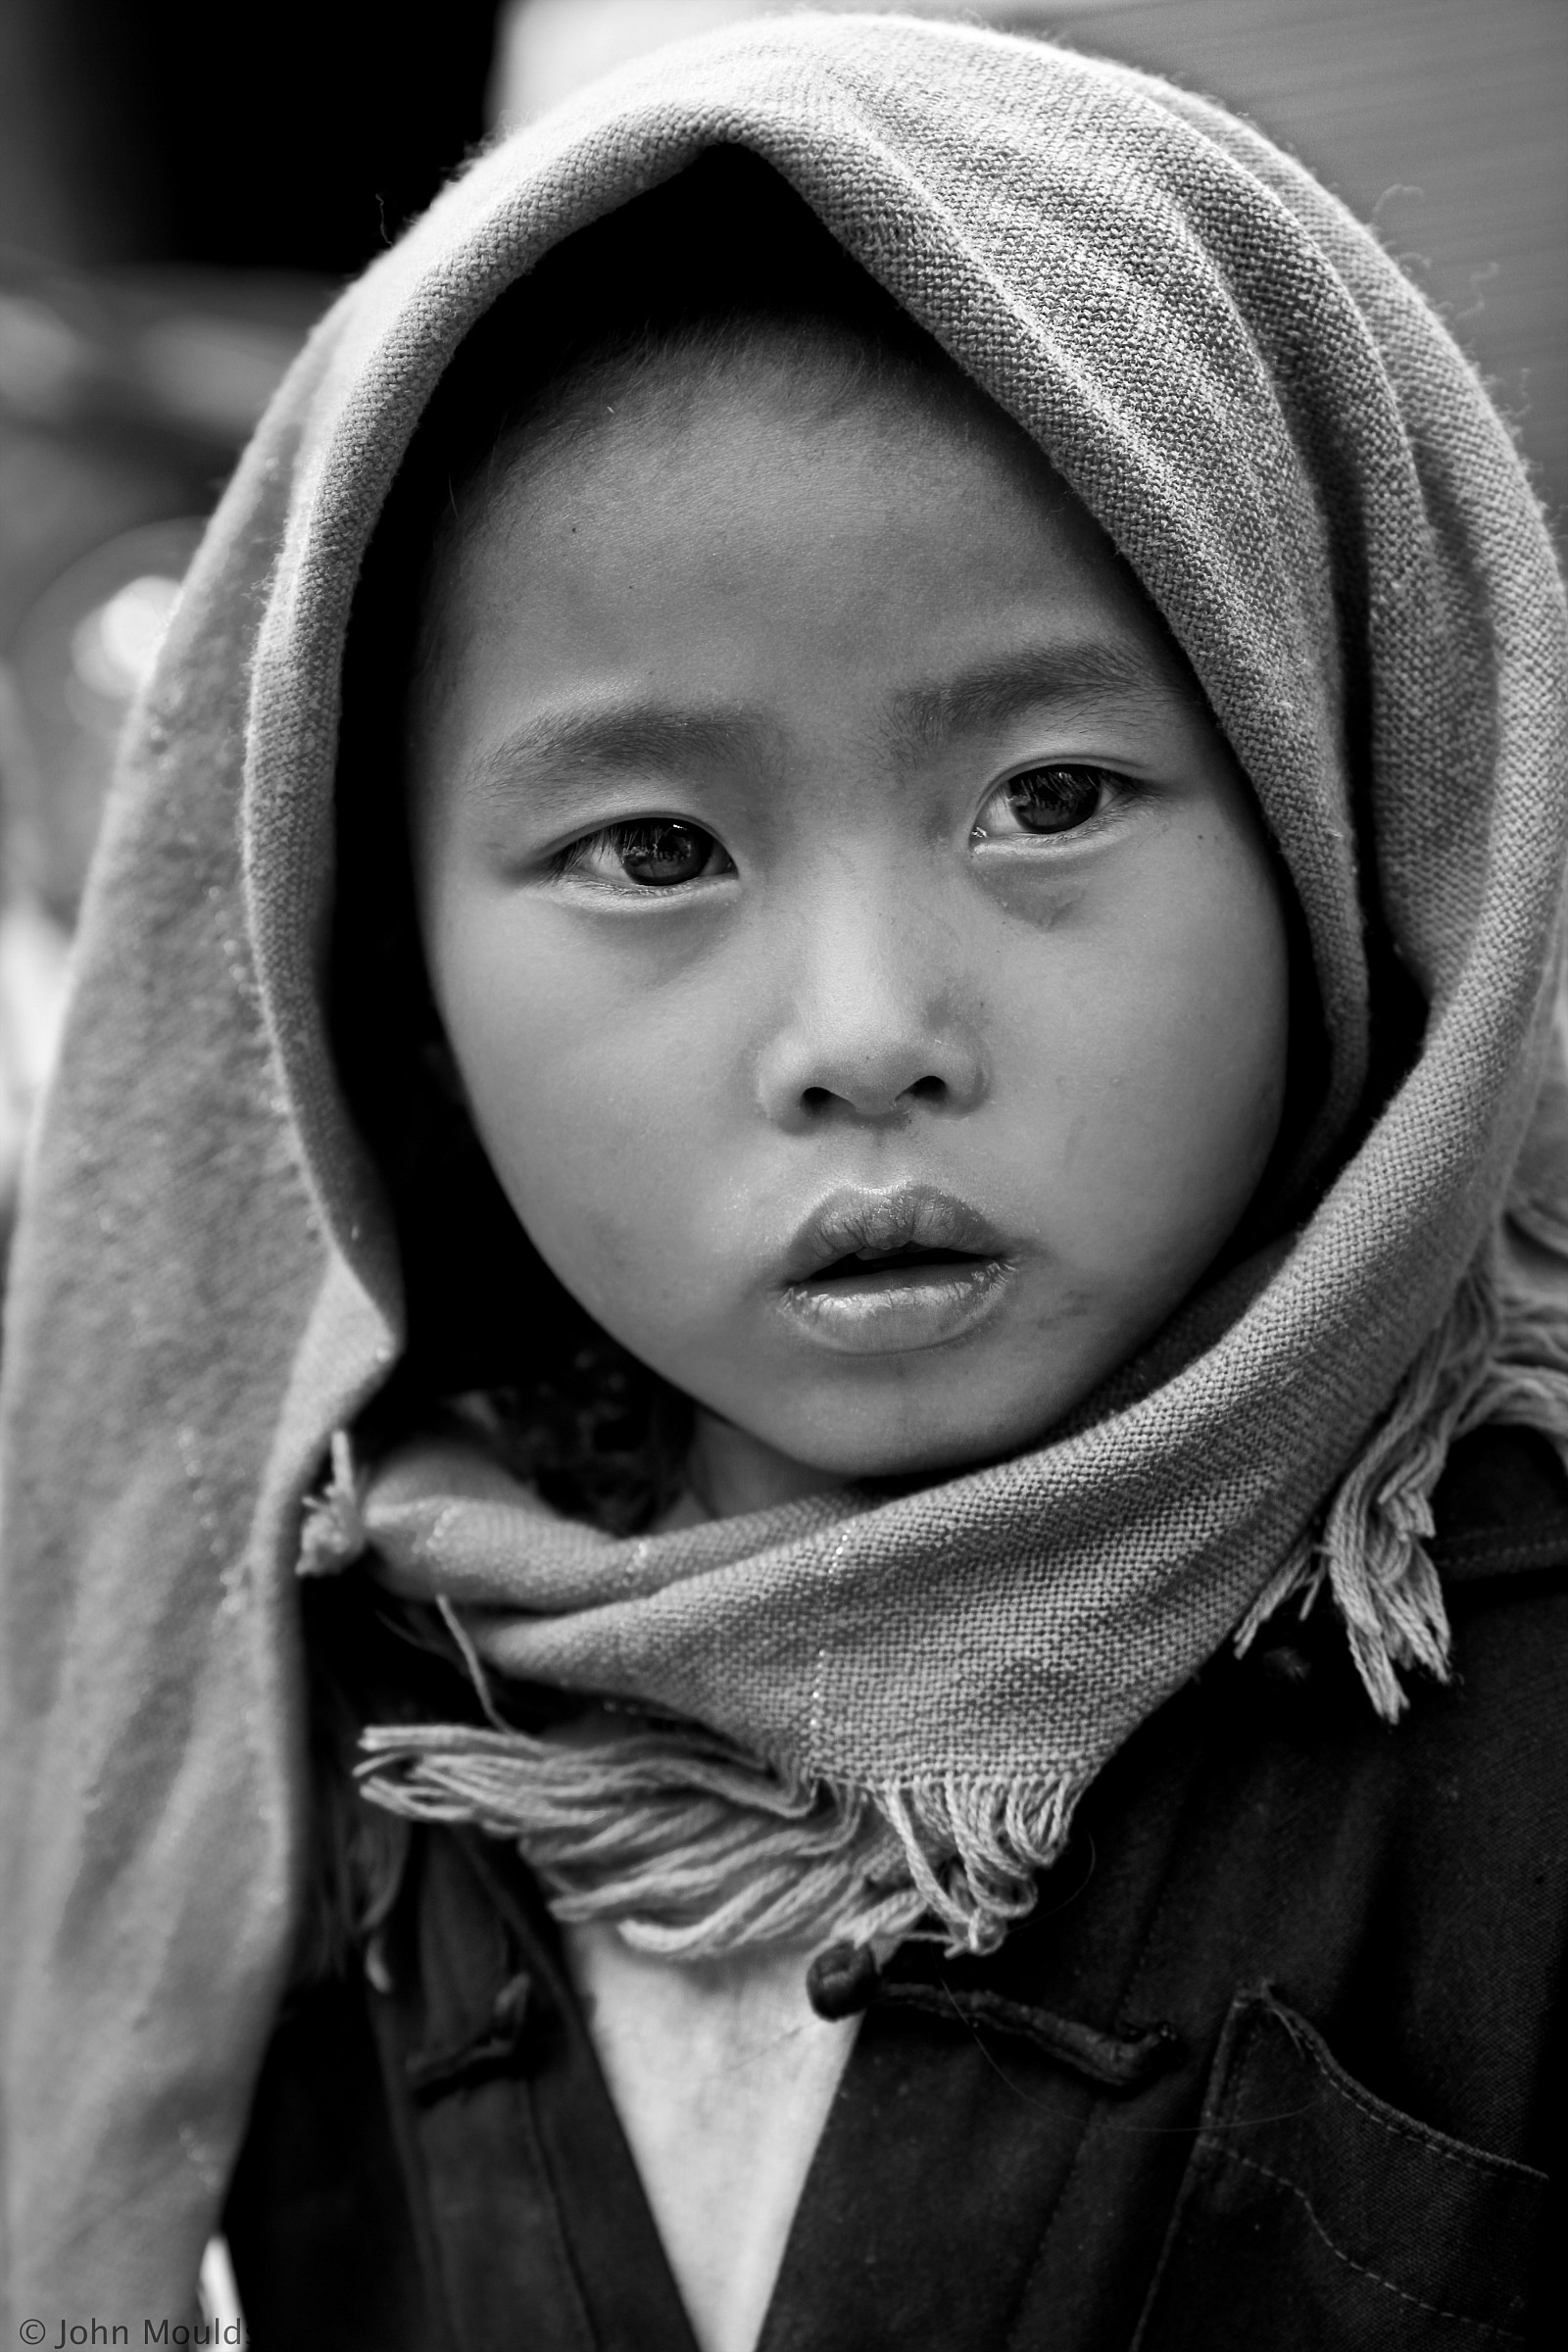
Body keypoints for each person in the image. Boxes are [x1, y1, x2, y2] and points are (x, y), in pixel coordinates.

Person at [1, 15, 1564, 2349]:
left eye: (1045, 797)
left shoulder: (1514, 1711)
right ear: (380, 976)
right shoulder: (296, 1710)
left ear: (1344, 809)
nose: (859, 1036)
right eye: (649, 849)